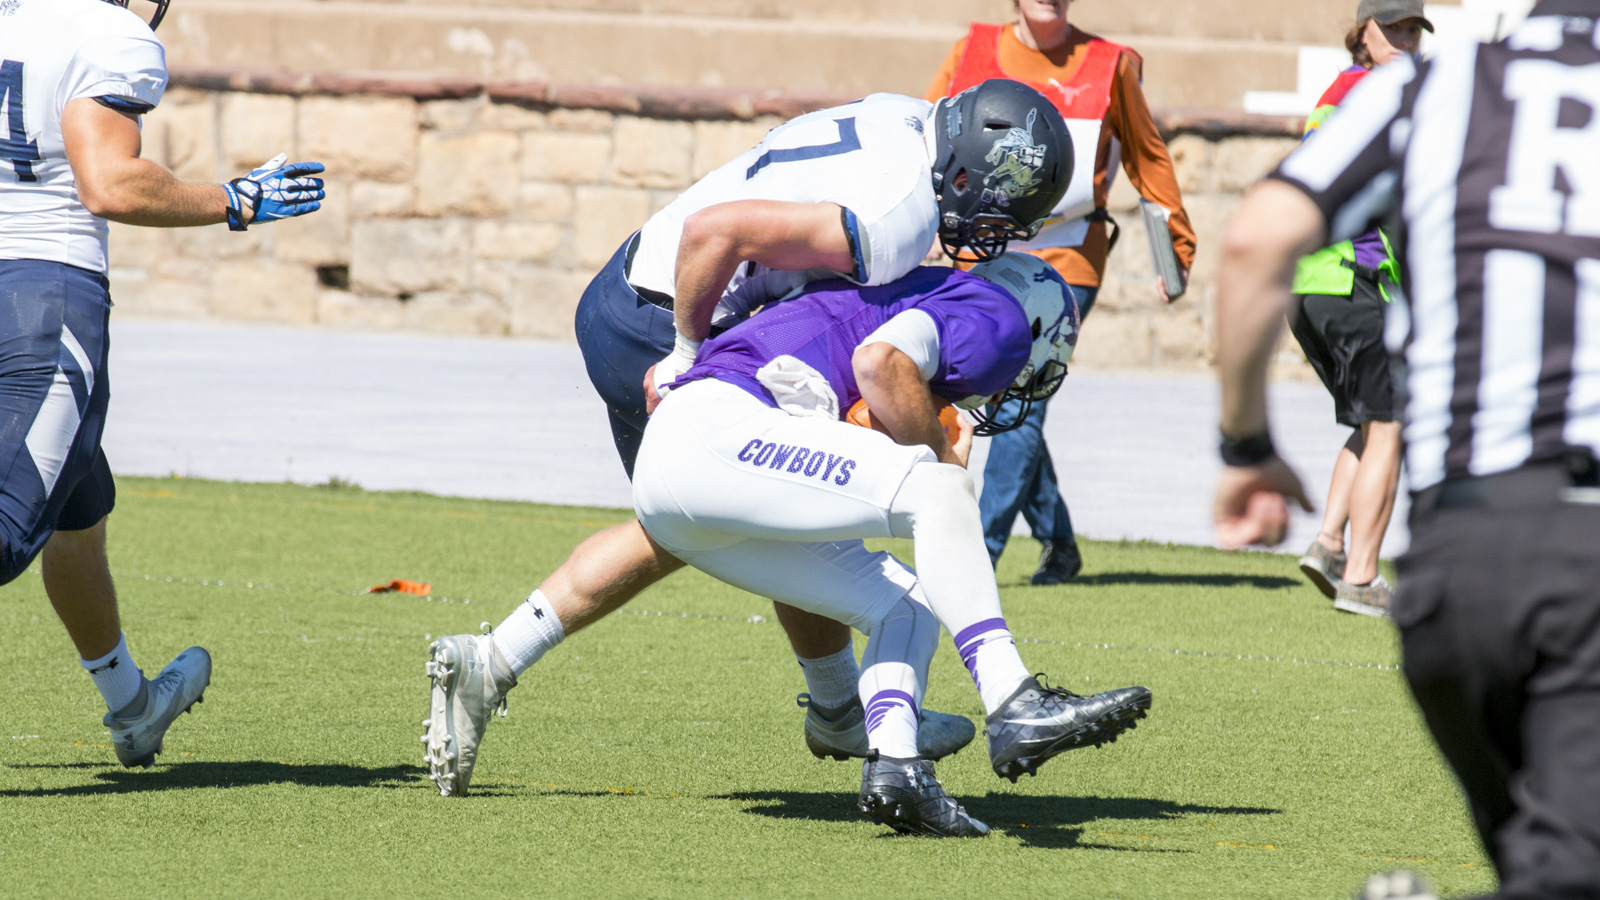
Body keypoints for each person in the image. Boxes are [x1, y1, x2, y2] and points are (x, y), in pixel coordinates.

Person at [421, 79, 1078, 795]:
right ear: (961, 169)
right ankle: (498, 661)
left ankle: (834, 708)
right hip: (673, 307)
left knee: (717, 517)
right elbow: (717, 233)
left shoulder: (905, 118)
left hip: (639, 278)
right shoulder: (899, 217)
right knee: (724, 511)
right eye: (995, 206)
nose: (993, 231)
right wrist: (681, 354)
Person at [1214, 1, 1600, 895]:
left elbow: (1255, 237)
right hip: (1584, 547)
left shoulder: (1431, 90)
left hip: (1465, 562)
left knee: (1545, 855)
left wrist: (1245, 443)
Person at [632, 252, 1150, 836]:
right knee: (941, 487)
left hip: (680, 482)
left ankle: (897, 768)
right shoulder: (995, 311)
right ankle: (1015, 699)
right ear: (1034, 323)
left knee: (906, 609)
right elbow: (878, 363)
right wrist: (943, 459)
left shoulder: (890, 294)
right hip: (716, 431)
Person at [0, 0, 324, 767]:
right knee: (9, 532)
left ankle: (134, 707)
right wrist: (233, 201)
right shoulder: (103, 33)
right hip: (40, 304)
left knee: (76, 511)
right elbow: (109, 185)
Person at [926, 0, 1196, 584]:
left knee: (1020, 393)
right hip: (983, 253)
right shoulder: (969, 50)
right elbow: (928, 141)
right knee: (1008, 402)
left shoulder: (1111, 64)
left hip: (1068, 256)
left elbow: (1149, 155)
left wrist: (1175, 246)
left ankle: (978, 555)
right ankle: (1059, 543)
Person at [1290, 0, 1431, 618]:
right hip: (1353, 280)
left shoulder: (1339, 89)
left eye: (1413, 30)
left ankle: (1327, 544)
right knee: (1393, 425)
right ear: (1362, 32)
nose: (1404, 40)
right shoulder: (1383, 94)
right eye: (1392, 27)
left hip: (1309, 284)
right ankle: (1363, 577)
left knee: (1374, 422)